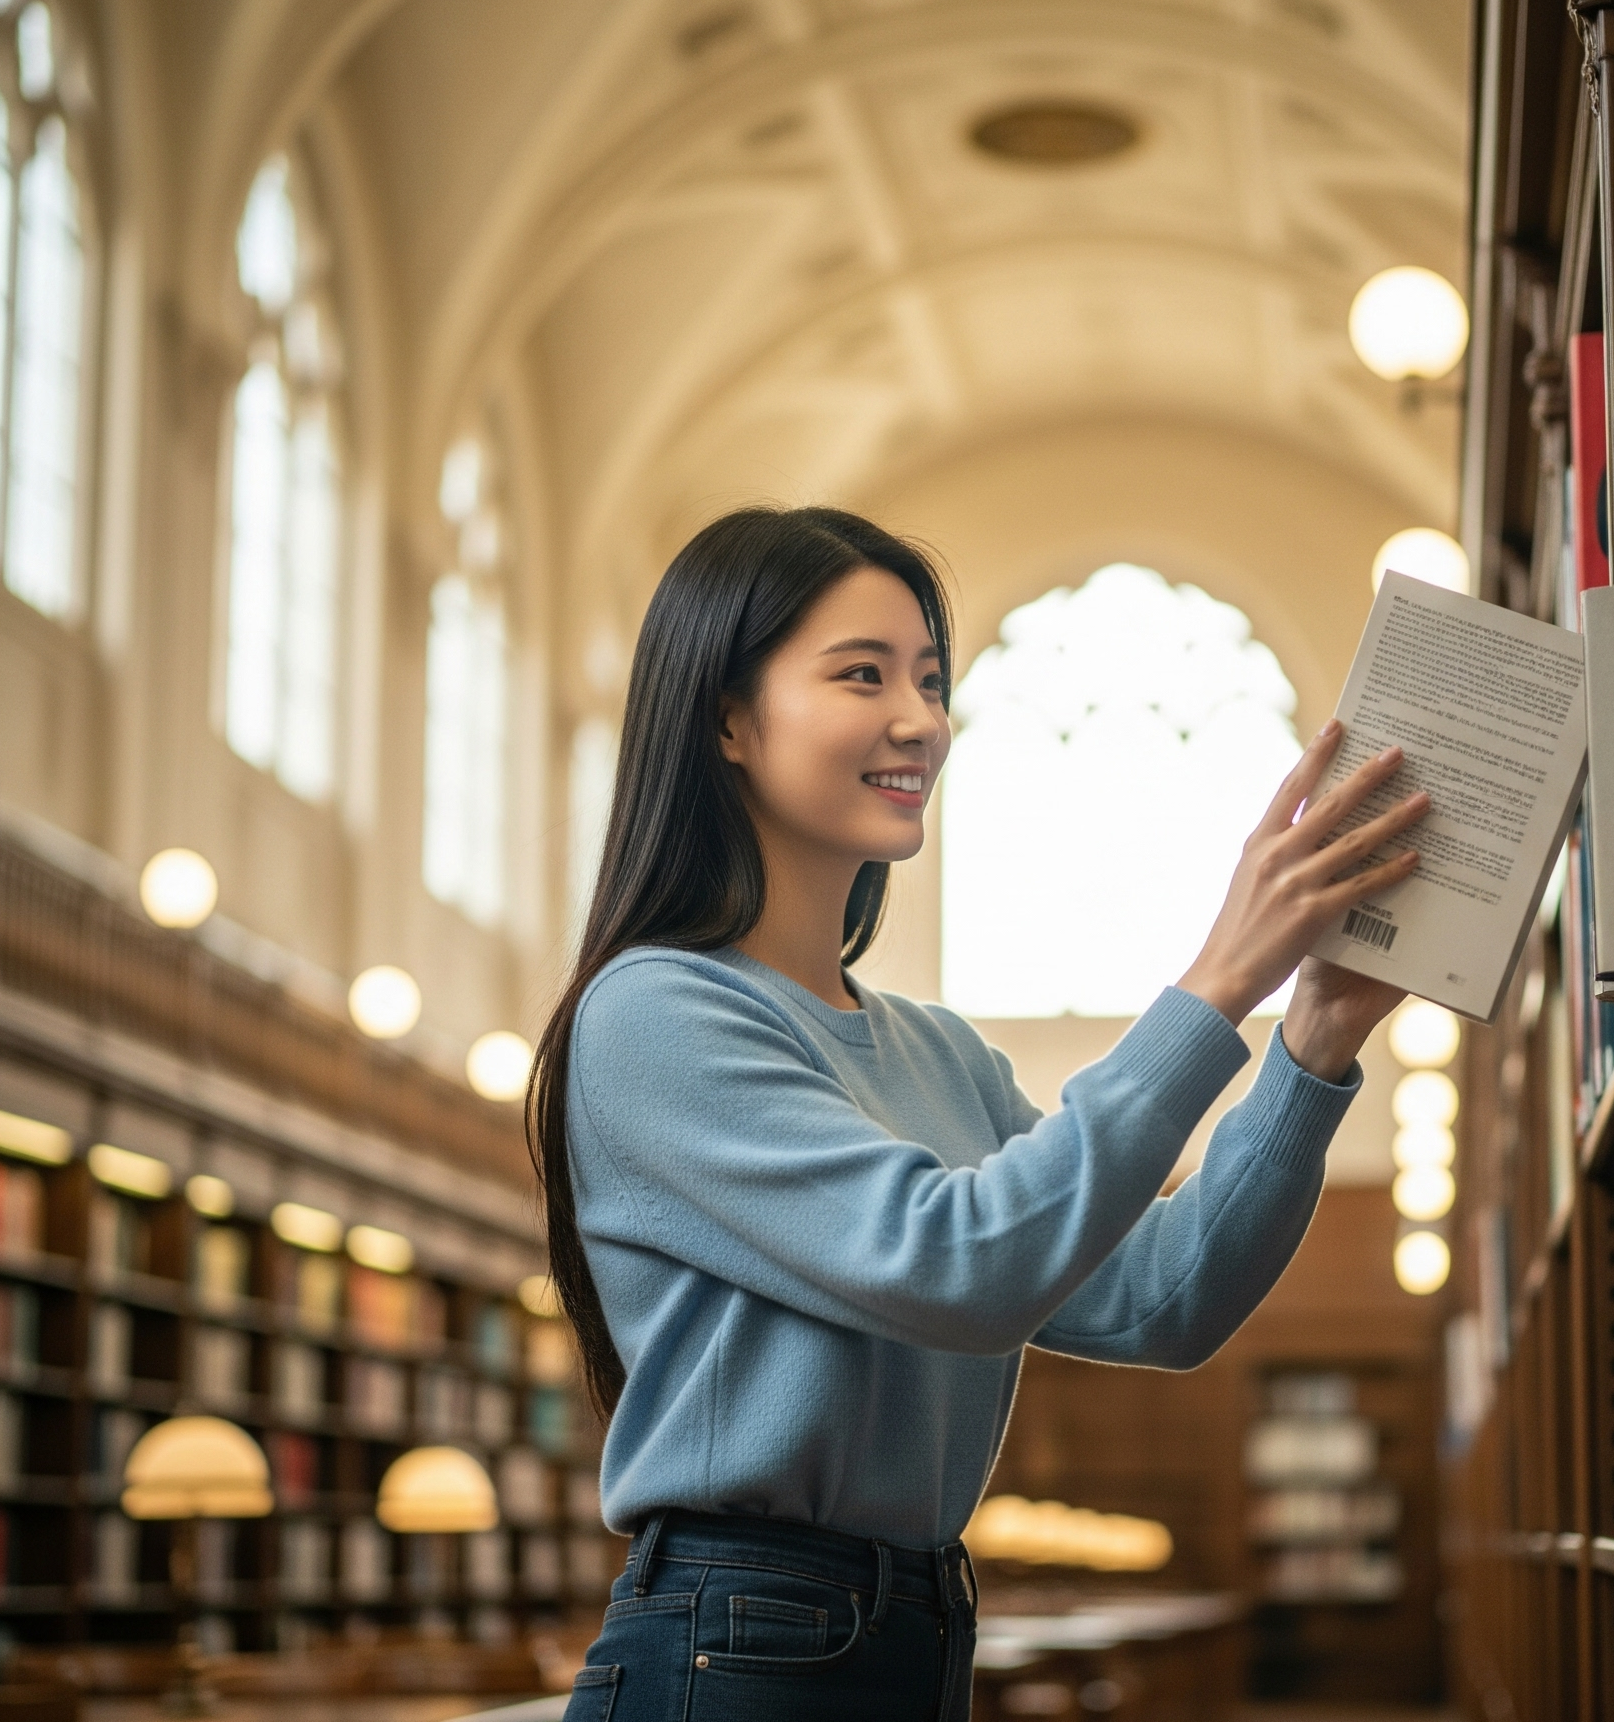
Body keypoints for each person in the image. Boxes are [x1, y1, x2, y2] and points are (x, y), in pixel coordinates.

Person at [530, 507, 1430, 1721]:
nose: (920, 720)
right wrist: (1219, 980)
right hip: (737, 1648)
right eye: (862, 674)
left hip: (919, 1633)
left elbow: (1164, 1298)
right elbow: (956, 1263)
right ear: (727, 720)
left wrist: (1314, 1039)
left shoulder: (935, 1052)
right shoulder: (652, 1014)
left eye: (931, 680)